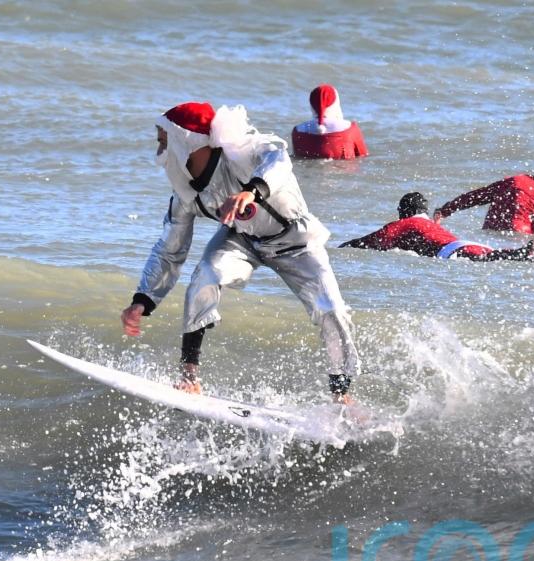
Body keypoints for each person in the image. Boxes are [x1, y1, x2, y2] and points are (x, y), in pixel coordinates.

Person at [120, 102, 360, 403]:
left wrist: (252, 191)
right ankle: (189, 378)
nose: (159, 149)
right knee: (206, 274)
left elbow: (279, 158)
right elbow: (170, 250)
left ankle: (342, 394)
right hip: (242, 239)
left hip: (296, 241)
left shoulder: (241, 153)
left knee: (331, 309)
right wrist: (143, 299)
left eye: (163, 140)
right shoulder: (186, 193)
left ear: (186, 141)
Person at [339, 192, 534, 262]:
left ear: (405, 210)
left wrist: (342, 248)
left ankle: (521, 253)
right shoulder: (428, 224)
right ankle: (521, 253)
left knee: (488, 259)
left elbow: (369, 242)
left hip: (454, 251)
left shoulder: (405, 223)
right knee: (492, 257)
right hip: (467, 245)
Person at [432, 159, 534, 237]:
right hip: (519, 239)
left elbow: (477, 196)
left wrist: (445, 210)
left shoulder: (515, 180)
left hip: (489, 235)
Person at [291, 84, 369, 160]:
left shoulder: (298, 131)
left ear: (311, 105)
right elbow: (363, 157)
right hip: (342, 168)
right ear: (336, 104)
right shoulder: (351, 129)